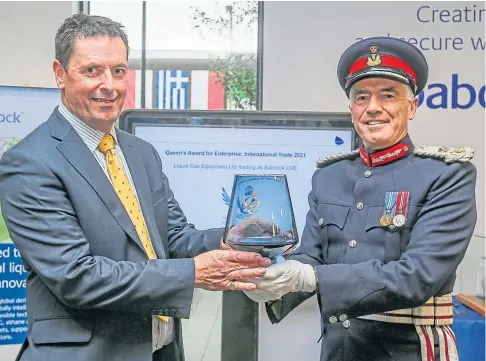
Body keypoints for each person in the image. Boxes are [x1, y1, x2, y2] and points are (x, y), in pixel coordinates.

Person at [0, 14, 271, 361]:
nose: (109, 85)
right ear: (59, 73)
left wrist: (229, 237)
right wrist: (193, 274)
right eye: (92, 70)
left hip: (158, 350)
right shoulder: (30, 162)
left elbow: (171, 238)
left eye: (118, 71)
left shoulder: (140, 152)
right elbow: (76, 277)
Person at [244, 36, 477, 361]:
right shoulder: (329, 176)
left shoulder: (446, 175)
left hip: (409, 350)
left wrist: (310, 277)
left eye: (388, 95)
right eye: (361, 97)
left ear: (412, 106)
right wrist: (273, 278)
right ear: (351, 108)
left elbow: (419, 276)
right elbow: (312, 256)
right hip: (340, 350)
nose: (373, 108)